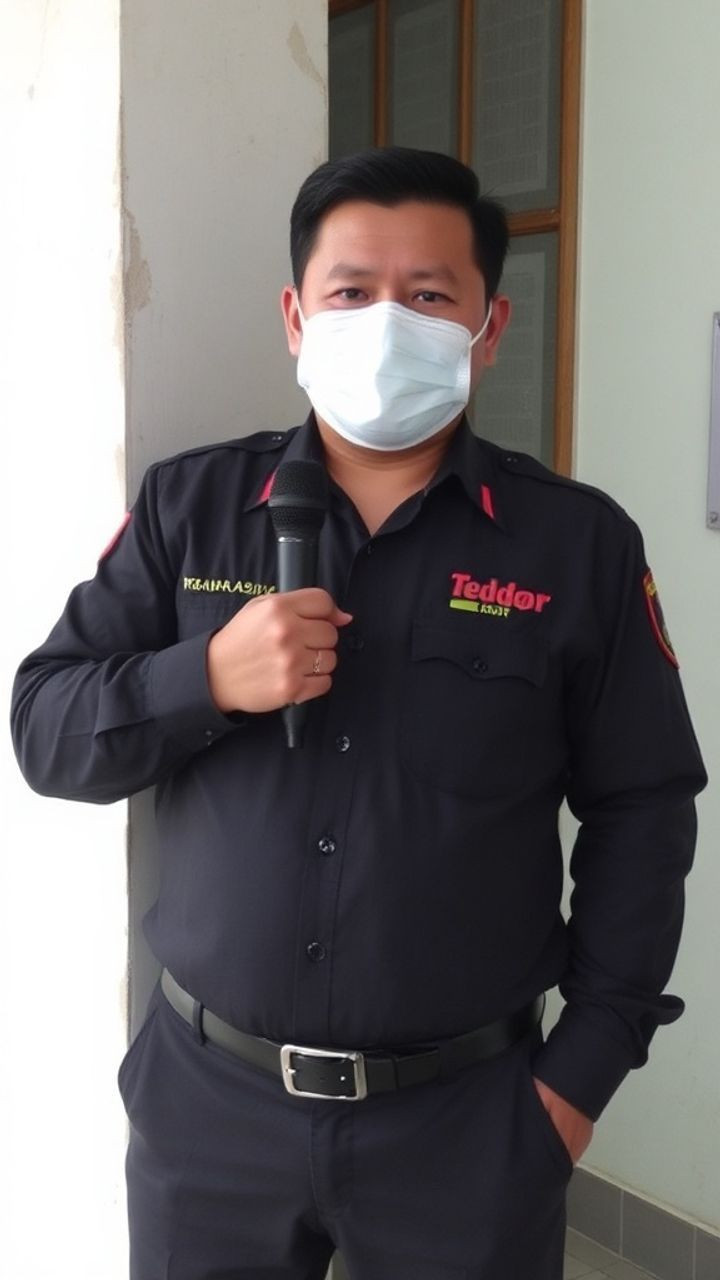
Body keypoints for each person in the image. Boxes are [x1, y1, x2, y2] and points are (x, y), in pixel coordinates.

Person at [11, 147, 706, 1280]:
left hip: (468, 1125)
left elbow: (646, 808)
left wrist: (579, 1076)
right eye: (350, 291)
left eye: (429, 295)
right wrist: (205, 676)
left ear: (488, 326)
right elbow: (47, 731)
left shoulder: (576, 544)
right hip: (207, 1114)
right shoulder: (191, 506)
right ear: (297, 316)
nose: (387, 322)